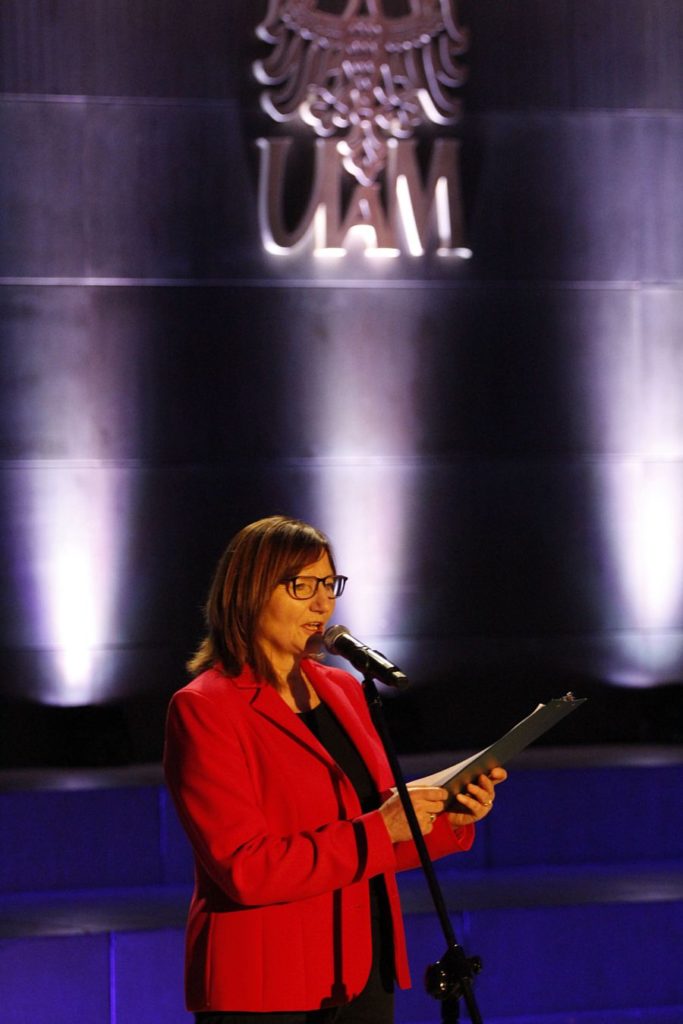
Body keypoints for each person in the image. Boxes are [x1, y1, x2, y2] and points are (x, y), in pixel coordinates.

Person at [164, 515, 507, 1024]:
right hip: (266, 983)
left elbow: (373, 826)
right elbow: (245, 869)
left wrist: (443, 818)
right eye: (301, 585)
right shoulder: (205, 708)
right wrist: (382, 827)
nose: (322, 603)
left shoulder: (344, 689)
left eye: (329, 584)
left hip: (360, 968)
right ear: (249, 592)